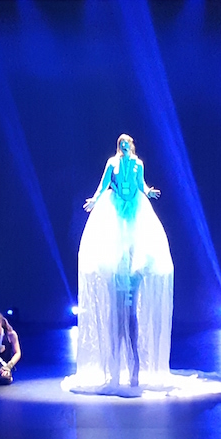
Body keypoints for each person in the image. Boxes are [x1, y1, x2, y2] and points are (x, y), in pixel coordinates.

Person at [71, 134, 172, 392]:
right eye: (122, 144)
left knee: (131, 328)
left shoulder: (137, 163)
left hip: (133, 203)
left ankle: (135, 370)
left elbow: (140, 183)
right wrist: (95, 200)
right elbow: (104, 183)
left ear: (132, 146)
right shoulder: (112, 162)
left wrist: (148, 191)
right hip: (117, 203)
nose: (125, 147)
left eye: (128, 144)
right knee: (116, 329)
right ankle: (114, 370)